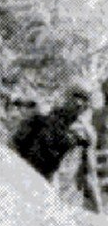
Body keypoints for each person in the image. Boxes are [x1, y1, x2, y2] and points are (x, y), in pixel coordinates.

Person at [12, 82, 102, 213]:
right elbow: (17, 143)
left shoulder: (85, 133)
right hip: (26, 173)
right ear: (68, 96)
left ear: (89, 105)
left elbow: (90, 174)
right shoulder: (45, 116)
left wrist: (99, 211)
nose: (79, 102)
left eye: (85, 99)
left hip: (53, 187)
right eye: (76, 96)